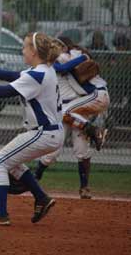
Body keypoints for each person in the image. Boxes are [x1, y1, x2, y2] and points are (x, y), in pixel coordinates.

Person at [0, 32, 63, 225]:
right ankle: (41, 198)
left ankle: (1, 213)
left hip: (43, 132)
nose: (23, 50)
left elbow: (2, 91)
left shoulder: (37, 74)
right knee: (11, 162)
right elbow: (14, 76)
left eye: (25, 46)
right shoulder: (45, 69)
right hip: (51, 132)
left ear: (34, 51)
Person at [34, 37, 110, 199]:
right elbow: (62, 67)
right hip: (65, 111)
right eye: (52, 45)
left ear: (64, 46)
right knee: (52, 151)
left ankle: (84, 187)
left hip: (76, 109)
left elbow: (69, 64)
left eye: (58, 44)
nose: (54, 47)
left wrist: (83, 58)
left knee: (82, 150)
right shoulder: (52, 63)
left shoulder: (68, 56)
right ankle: (35, 178)